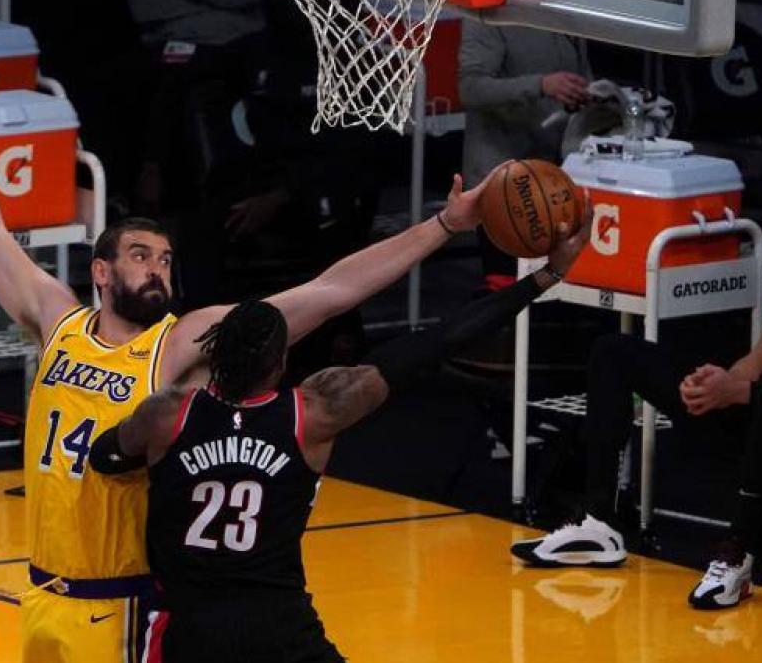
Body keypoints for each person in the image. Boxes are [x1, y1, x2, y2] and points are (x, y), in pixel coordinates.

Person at [0, 32, 500, 662]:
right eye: (141, 257)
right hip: (41, 592)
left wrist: (444, 225)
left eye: (167, 260)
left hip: (126, 604)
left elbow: (329, 291)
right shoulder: (55, 319)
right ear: (100, 271)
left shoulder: (179, 343)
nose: (158, 271)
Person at [86, 212, 589, 662]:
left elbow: (106, 457)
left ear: (213, 356)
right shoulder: (313, 412)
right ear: (283, 361)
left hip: (190, 632)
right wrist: (543, 277)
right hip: (279, 627)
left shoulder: (168, 414)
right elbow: (436, 342)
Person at [511, 322, 762, 610]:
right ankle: (598, 519)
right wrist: (717, 385)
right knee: (612, 351)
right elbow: (757, 361)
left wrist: (740, 391)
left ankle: (739, 552)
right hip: (755, 405)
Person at [123, 0, 269, 215]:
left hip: (240, 43)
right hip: (177, 44)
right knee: (170, 75)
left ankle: (258, 193)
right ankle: (152, 177)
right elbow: (145, 4)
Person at [457, 20, 590, 290]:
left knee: (552, 292)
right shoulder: (487, 16)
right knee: (506, 295)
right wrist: (541, 85)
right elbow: (470, 88)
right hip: (502, 180)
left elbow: (581, 76)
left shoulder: (563, 14)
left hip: (553, 175)